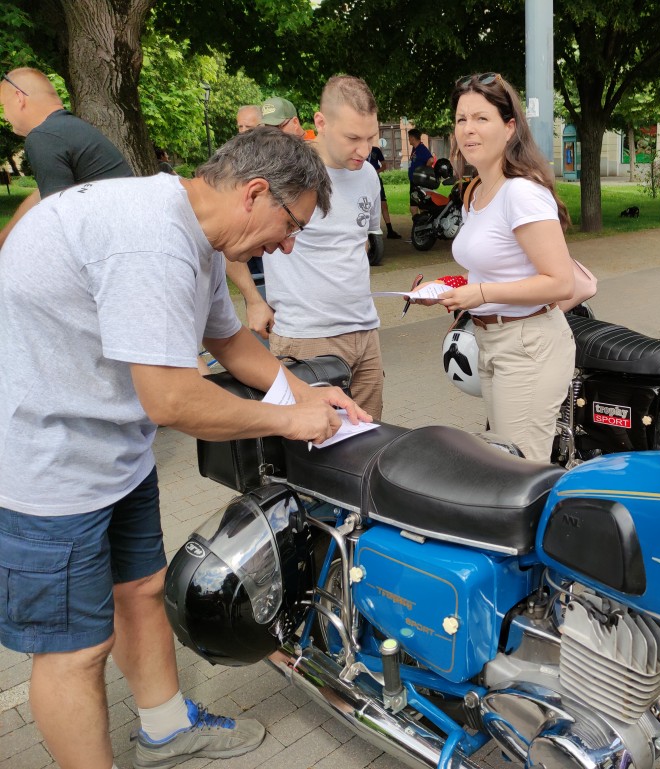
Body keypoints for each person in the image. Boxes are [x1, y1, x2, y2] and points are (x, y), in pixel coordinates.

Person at [0, 127, 370, 769]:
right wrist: (286, 423)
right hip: (48, 468)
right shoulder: (152, 242)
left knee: (141, 590)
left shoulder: (191, 231)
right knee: (73, 651)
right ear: (255, 193)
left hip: (112, 451)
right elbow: (171, 401)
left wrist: (303, 395)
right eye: (291, 226)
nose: (286, 245)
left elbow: (228, 341)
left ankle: (166, 730)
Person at [425, 72, 576, 462]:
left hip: (528, 345)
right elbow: (495, 266)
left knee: (518, 471)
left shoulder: (521, 192)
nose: (468, 130)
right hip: (489, 342)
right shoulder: (475, 190)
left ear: (510, 128)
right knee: (503, 462)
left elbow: (561, 282)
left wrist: (481, 293)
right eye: (461, 119)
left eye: (481, 118)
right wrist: (452, 289)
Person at [227, 75, 386, 421]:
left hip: (365, 333)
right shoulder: (281, 172)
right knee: (317, 448)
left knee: (372, 439)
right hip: (307, 337)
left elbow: (357, 245)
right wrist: (254, 300)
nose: (364, 150)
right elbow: (230, 243)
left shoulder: (368, 175)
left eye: (371, 138)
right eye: (353, 138)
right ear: (320, 122)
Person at [0, 67, 133, 248]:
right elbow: (43, 196)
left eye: (2, 106)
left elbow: (56, 221)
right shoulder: (66, 128)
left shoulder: (43, 136)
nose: (5, 116)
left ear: (18, 98)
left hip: (115, 250)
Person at [369, 144, 401, 239]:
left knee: (383, 204)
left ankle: (390, 230)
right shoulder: (360, 148)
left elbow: (384, 165)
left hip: (376, 180)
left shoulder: (376, 150)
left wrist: (376, 171)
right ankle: (367, 231)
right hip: (363, 181)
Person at [407, 127, 435, 216]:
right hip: (414, 181)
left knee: (420, 204)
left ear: (412, 138)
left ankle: (420, 223)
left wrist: (424, 171)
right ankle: (418, 223)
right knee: (415, 204)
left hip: (419, 182)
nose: (409, 140)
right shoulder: (415, 149)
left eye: (409, 138)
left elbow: (431, 160)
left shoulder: (422, 148)